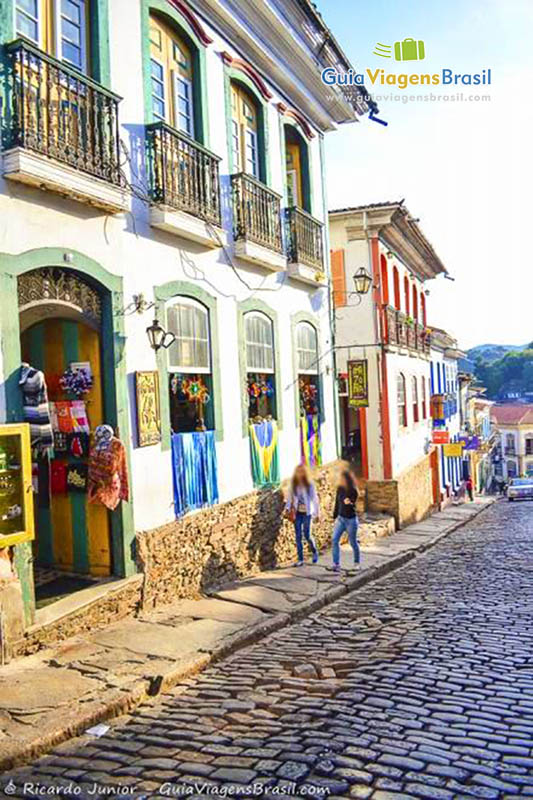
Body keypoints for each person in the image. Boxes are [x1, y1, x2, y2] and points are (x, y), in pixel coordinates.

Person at [285, 465, 319, 566]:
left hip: (307, 513)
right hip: (297, 513)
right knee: (298, 536)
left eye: (301, 472)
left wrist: (317, 513)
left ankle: (314, 551)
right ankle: (300, 559)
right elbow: (290, 498)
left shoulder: (310, 485)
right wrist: (287, 509)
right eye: (298, 472)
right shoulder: (293, 485)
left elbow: (314, 499)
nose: (300, 474)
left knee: (307, 535)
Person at [332, 470, 360, 572]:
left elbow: (354, 501)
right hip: (340, 519)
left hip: (350, 520)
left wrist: (350, 502)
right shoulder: (340, 489)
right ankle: (336, 564)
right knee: (334, 540)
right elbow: (337, 502)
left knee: (353, 542)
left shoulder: (353, 490)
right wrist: (334, 516)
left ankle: (357, 563)